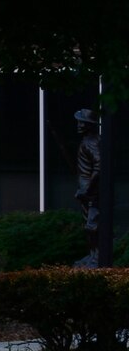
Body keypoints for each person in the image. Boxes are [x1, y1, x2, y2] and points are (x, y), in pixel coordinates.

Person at [74, 108, 104, 268]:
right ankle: (93, 255)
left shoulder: (90, 143)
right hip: (88, 189)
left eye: (82, 122)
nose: (79, 125)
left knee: (92, 225)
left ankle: (96, 257)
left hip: (90, 192)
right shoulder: (92, 140)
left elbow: (99, 167)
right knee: (89, 224)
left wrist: (88, 190)